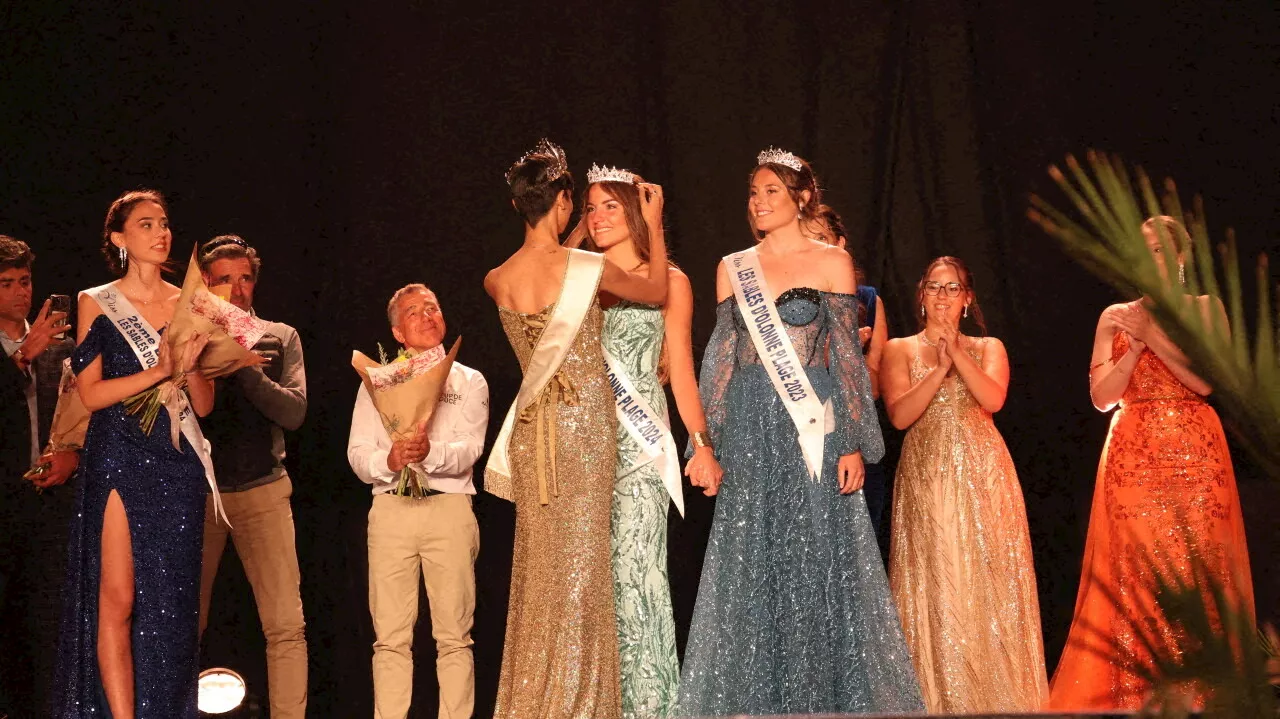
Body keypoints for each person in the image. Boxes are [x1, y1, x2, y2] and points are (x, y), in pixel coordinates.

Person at [677, 148, 922, 715]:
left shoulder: (831, 262)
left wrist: (855, 441)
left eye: (771, 192)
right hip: (750, 425)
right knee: (750, 563)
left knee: (817, 558)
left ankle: (819, 702)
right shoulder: (731, 266)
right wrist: (704, 444)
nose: (758, 203)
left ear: (801, 198)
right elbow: (719, 361)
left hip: (814, 425)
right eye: (753, 194)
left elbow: (846, 359)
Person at [482, 139, 668, 719]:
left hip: (535, 430)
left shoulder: (497, 278)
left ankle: (534, 700)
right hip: (585, 427)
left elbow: (550, 267)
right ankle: (581, 703)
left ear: (518, 207)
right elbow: (658, 290)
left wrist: (567, 231)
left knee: (539, 567)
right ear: (566, 200)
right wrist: (654, 227)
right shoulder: (586, 267)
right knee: (584, 566)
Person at [1049, 216, 1255, 710]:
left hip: (1195, 452)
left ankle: (1202, 693)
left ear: (1181, 258)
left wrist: (1154, 336)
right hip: (1132, 453)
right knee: (1137, 570)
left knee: (1196, 568)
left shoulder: (1205, 309)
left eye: (1160, 250)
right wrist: (1133, 348)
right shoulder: (1114, 315)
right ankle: (1136, 691)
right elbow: (1101, 397)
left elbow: (1206, 383)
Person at [54, 189, 216, 718]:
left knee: (172, 609)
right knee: (119, 599)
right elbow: (91, 393)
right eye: (146, 225)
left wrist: (189, 362)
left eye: (164, 223)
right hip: (119, 455)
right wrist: (158, 368)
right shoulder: (96, 301)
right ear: (120, 239)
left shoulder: (191, 301)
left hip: (177, 460)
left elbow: (205, 407)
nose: (160, 232)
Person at [570, 163, 723, 718]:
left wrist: (699, 443)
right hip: (580, 442)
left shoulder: (670, 281)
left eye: (611, 205)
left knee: (639, 575)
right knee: (586, 581)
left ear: (637, 211)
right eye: (590, 206)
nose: (598, 216)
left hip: (640, 444)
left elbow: (680, 366)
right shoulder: (575, 274)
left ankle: (649, 708)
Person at [881, 256, 1048, 711]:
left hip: (982, 471)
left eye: (952, 288)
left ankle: (996, 697)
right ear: (921, 295)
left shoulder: (989, 346)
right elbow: (899, 416)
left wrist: (957, 354)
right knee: (939, 578)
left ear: (967, 298)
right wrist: (937, 368)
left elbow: (992, 398)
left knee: (986, 578)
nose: (942, 296)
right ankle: (939, 699)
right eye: (934, 287)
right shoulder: (899, 348)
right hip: (927, 472)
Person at [347, 283, 488, 719]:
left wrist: (432, 455)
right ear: (398, 333)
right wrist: (390, 460)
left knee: (454, 636)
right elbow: (357, 454)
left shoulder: (468, 380)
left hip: (448, 508)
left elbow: (470, 449)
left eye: (434, 307)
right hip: (391, 510)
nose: (427, 316)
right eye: (414, 312)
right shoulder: (377, 383)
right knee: (389, 637)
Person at [196, 235, 308, 718]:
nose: (237, 290)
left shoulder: (278, 336)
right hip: (198, 496)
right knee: (182, 623)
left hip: (262, 490)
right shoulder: (187, 337)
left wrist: (246, 369)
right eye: (225, 280)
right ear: (204, 283)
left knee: (286, 626)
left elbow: (295, 413)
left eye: (244, 278)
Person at [0, 234, 77, 717]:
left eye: (25, 282)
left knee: (47, 620)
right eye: (6, 283)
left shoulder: (58, 346)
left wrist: (73, 457)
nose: (20, 293)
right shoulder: (30, 348)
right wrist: (20, 356)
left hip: (48, 502)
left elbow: (80, 415)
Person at [816, 206, 890, 553]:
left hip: (854, 429)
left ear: (840, 243)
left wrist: (851, 357)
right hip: (802, 431)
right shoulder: (780, 302)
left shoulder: (867, 299)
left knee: (858, 545)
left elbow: (875, 389)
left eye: (822, 239)